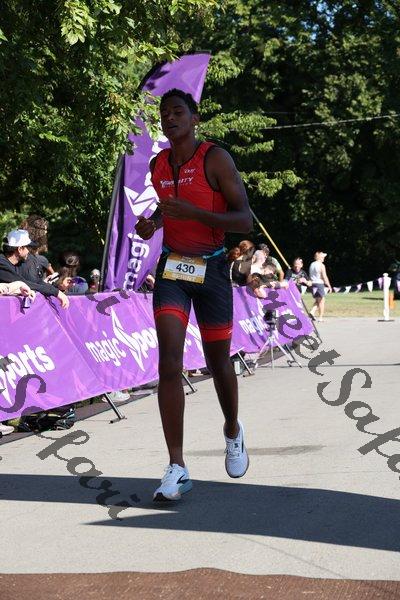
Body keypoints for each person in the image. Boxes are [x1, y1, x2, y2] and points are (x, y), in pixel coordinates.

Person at [135, 88, 252, 501]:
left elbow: (245, 220)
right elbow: (166, 208)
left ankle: (232, 430)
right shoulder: (158, 164)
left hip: (213, 268)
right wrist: (152, 224)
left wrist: (197, 214)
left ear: (194, 118)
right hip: (172, 268)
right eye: (164, 113)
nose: (169, 118)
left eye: (178, 112)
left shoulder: (215, 159)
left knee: (219, 362)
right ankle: (177, 465)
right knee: (169, 362)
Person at [0, 230, 69, 308]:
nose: (29, 251)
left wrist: (57, 291)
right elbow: (24, 283)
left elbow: (35, 281)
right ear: (20, 249)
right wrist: (56, 293)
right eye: (28, 247)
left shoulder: (20, 263)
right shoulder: (1, 263)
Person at [309, 251, 332, 321]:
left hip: (312, 284)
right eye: (322, 257)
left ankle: (312, 311)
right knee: (322, 301)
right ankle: (320, 317)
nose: (323, 258)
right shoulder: (321, 265)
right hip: (319, 284)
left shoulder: (312, 264)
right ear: (319, 257)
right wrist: (329, 285)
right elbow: (324, 276)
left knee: (318, 300)